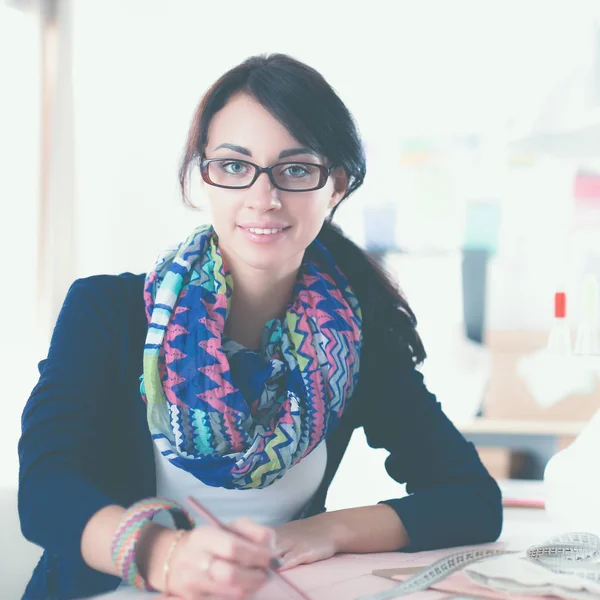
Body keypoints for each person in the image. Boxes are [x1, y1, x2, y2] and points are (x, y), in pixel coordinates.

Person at [18, 53, 502, 600]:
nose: (263, 198)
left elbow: (470, 498)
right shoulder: (107, 309)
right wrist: (167, 556)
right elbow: (45, 490)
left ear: (336, 186)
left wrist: (322, 531)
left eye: (295, 169)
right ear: (204, 176)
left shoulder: (348, 338)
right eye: (234, 166)